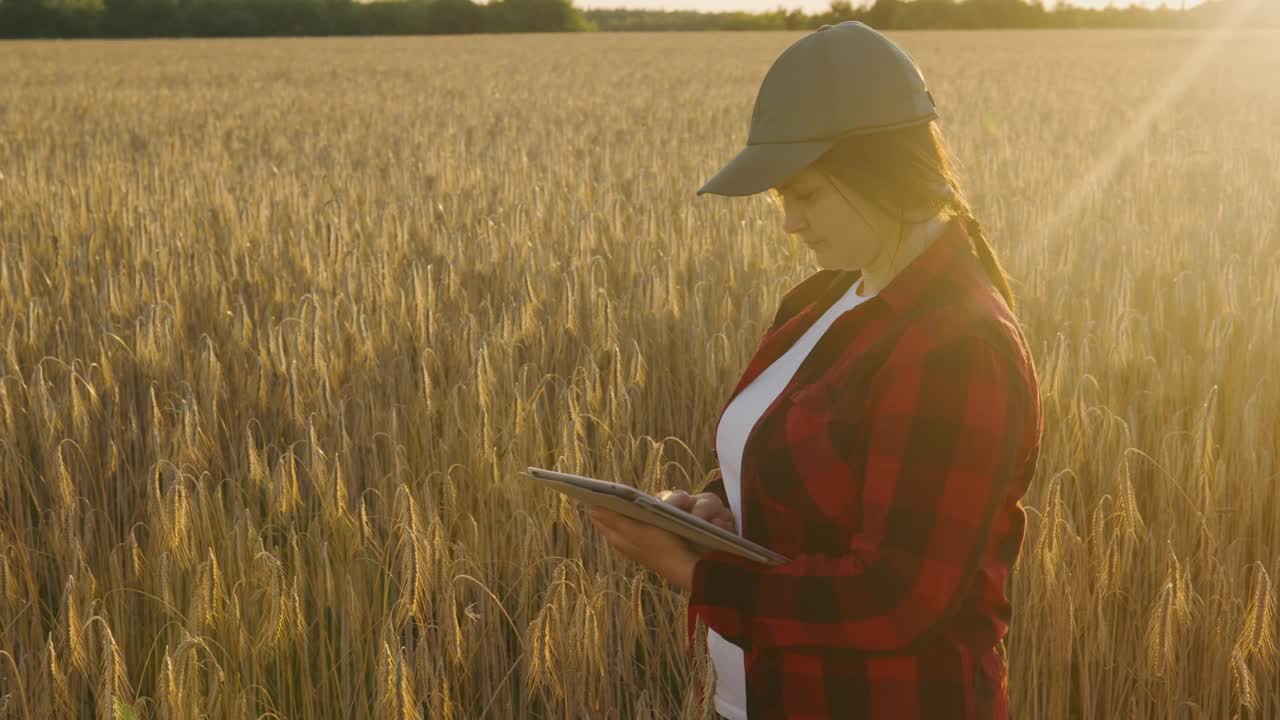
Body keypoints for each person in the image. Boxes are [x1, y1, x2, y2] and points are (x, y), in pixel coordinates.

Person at [587, 20, 1042, 720]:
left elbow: (895, 599)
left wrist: (688, 569)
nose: (790, 223)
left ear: (881, 170)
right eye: (779, 200)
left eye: (805, 194)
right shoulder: (826, 297)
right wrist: (721, 510)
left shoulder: (957, 345)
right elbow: (811, 474)